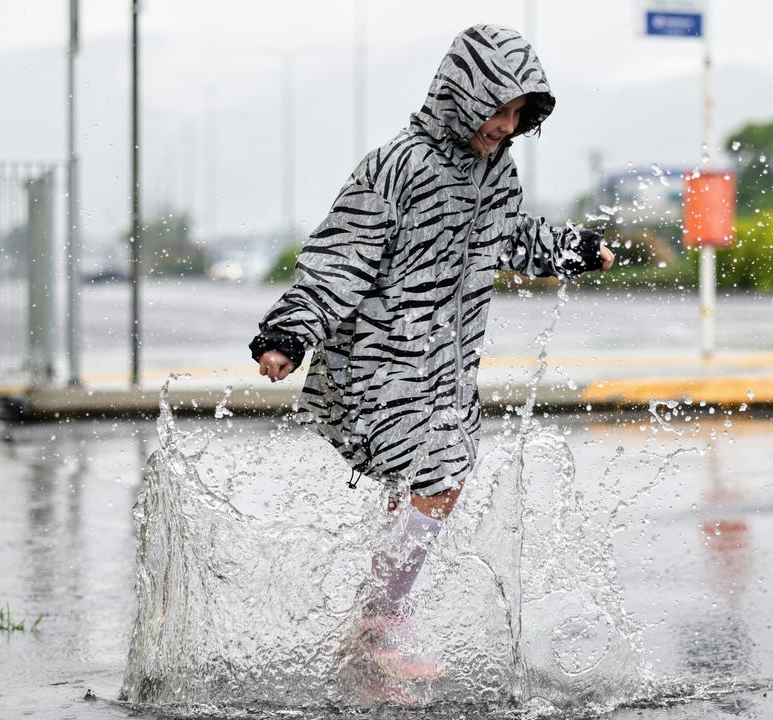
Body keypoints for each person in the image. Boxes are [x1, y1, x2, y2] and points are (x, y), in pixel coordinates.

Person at [249, 24, 613, 684]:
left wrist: (573, 249)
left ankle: (372, 647)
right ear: (462, 93)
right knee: (440, 473)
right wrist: (289, 333)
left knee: (432, 477)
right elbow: (339, 255)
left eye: (516, 115)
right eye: (496, 108)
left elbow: (511, 240)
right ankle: (380, 621)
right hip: (377, 358)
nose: (504, 126)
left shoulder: (496, 177)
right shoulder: (398, 166)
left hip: (443, 365)